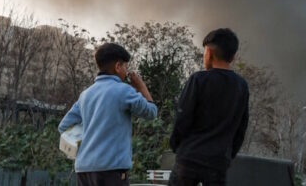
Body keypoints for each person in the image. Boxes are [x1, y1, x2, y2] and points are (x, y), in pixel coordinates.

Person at [58, 42, 157, 186]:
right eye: (125, 66)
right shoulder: (123, 91)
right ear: (118, 66)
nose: (126, 71)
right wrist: (141, 87)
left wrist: (88, 139)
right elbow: (151, 112)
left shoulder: (85, 95)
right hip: (111, 171)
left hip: (84, 170)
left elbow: (64, 126)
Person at [169, 28, 250, 186]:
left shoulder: (198, 80)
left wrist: (177, 145)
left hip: (189, 158)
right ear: (233, 57)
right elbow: (241, 127)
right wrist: (228, 154)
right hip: (218, 162)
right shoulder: (241, 86)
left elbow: (183, 117)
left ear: (209, 52)